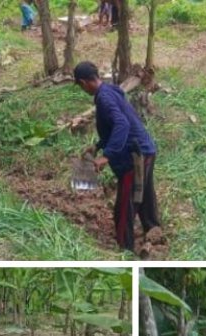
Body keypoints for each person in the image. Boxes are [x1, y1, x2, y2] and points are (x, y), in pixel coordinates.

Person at [73, 61, 161, 253]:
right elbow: (116, 125)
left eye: (80, 86)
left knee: (124, 205)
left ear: (83, 82)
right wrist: (97, 146)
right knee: (144, 195)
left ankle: (125, 249)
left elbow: (121, 124)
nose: (82, 89)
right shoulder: (111, 90)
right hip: (145, 149)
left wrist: (107, 156)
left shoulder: (104, 98)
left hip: (134, 156)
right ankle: (154, 232)